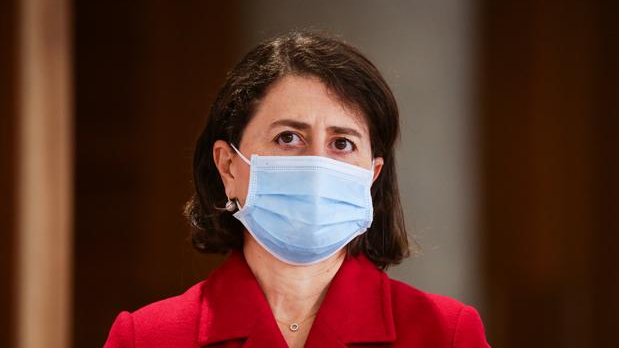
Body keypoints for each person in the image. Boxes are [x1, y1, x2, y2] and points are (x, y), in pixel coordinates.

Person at [104, 31, 490, 348]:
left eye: (342, 143)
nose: (317, 165)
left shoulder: (447, 333)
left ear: (371, 175)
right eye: (288, 137)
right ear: (228, 166)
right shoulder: (148, 337)